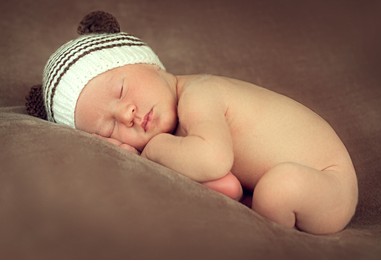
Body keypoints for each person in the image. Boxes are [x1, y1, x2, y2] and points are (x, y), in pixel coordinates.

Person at [26, 11, 358, 234]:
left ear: (149, 63)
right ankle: (251, 201)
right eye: (109, 128)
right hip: (297, 181)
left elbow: (212, 159)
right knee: (240, 187)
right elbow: (218, 173)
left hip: (328, 183)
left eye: (122, 89)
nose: (126, 113)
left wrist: (150, 150)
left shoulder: (200, 93)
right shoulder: (183, 133)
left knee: (277, 190)